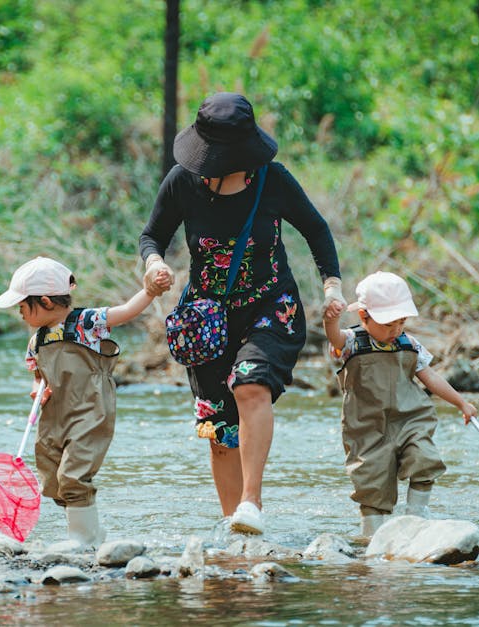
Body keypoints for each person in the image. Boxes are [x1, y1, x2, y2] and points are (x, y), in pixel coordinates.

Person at [140, 92, 346, 534]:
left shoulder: (271, 180)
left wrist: (332, 283)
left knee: (250, 384)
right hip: (208, 319)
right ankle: (235, 526)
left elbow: (315, 228)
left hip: (270, 305)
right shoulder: (182, 181)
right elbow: (152, 235)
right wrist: (155, 263)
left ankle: (252, 503)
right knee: (219, 425)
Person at [0, 256, 162, 546]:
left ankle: (80, 538)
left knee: (74, 472)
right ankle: (93, 532)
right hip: (54, 414)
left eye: (22, 306)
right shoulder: (37, 340)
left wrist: (149, 291)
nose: (20, 313)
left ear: (45, 301)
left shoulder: (87, 322)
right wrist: (37, 388)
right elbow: (37, 372)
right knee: (53, 476)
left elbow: (124, 312)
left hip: (90, 408)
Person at [323, 270, 478, 537]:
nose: (396, 330)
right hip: (367, 428)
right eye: (388, 324)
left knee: (424, 457)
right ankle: (372, 538)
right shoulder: (351, 342)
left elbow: (430, 377)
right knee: (372, 483)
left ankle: (416, 516)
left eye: (401, 322)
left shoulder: (410, 344)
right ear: (363, 316)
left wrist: (461, 403)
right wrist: (331, 321)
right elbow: (334, 338)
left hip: (410, 418)